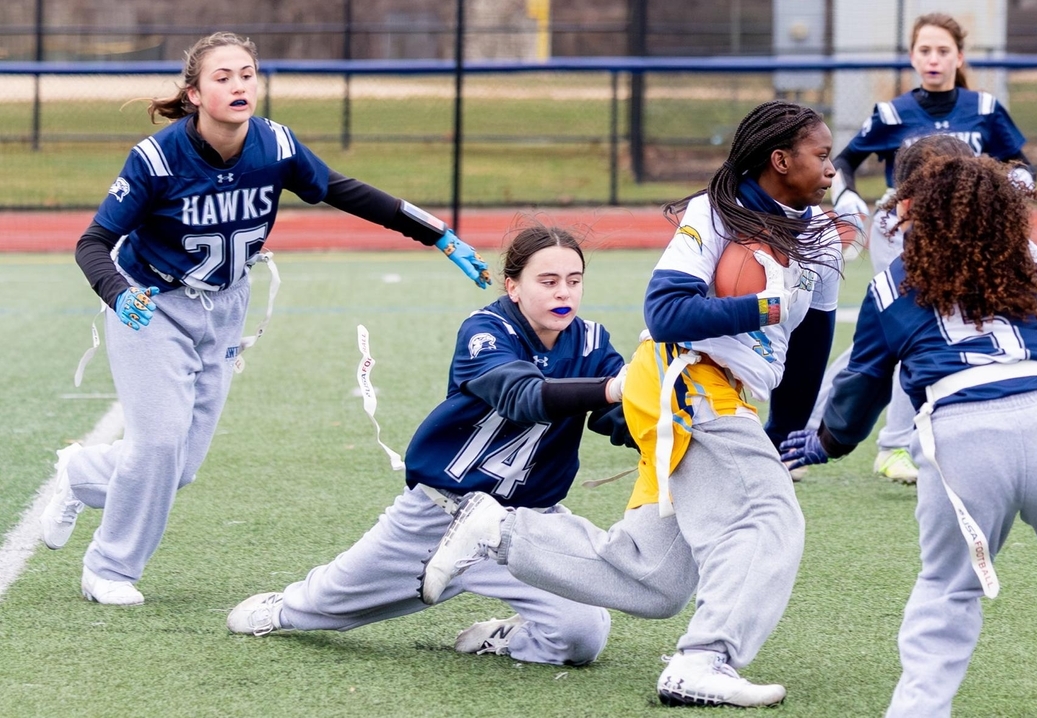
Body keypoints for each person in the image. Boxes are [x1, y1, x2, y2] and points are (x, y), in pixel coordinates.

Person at [417, 100, 845, 707]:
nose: (832, 168)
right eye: (821, 155)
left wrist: (785, 436)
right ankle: (705, 661)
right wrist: (763, 307)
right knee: (770, 518)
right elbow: (666, 313)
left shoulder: (821, 235)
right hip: (683, 379)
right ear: (780, 160)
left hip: (725, 393)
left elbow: (811, 343)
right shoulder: (715, 215)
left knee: (657, 579)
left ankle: (500, 531)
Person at [40, 32, 491, 606]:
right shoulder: (156, 158)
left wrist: (437, 234)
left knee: (175, 469)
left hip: (226, 308)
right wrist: (117, 292)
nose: (238, 85)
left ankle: (81, 473)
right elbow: (94, 241)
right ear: (195, 93)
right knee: (156, 447)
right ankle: (109, 567)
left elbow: (344, 191)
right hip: (150, 305)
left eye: (247, 74)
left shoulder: (275, 145)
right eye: (223, 76)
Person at [780, 154, 1037, 718]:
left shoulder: (893, 282)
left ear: (915, 212)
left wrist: (829, 442)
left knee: (949, 588)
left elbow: (863, 383)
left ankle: (918, 712)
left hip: (961, 433)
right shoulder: (1031, 258)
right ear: (1004, 209)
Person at [226, 225, 629, 666]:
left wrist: (667, 414)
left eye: (574, 280)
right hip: (442, 514)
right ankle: (282, 609)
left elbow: (619, 418)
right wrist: (612, 388)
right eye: (548, 281)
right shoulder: (486, 331)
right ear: (513, 286)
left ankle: (503, 637)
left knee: (581, 636)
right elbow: (523, 397)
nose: (563, 292)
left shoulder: (591, 341)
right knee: (322, 605)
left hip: (525, 525)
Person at [814, 11, 1036, 484]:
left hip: (962, 231)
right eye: (924, 51)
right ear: (912, 57)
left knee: (892, 336)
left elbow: (1021, 162)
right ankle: (894, 445)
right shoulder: (893, 112)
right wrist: (846, 193)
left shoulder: (986, 107)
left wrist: (1017, 182)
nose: (933, 60)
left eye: (942, 51)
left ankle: (808, 426)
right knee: (908, 327)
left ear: (959, 57)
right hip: (904, 227)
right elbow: (845, 161)